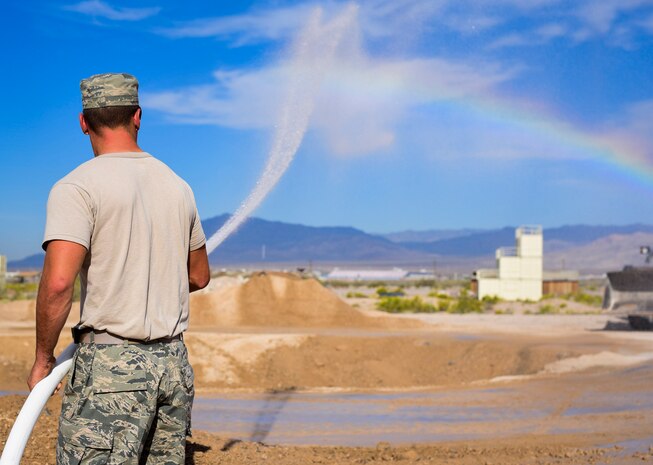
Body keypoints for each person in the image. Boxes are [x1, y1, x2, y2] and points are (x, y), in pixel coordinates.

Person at [27, 72, 210, 464]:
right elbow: (199, 276)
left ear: (83, 122)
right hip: (173, 368)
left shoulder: (77, 188)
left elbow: (59, 283)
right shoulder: (179, 187)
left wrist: (43, 360)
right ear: (138, 116)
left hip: (111, 373)